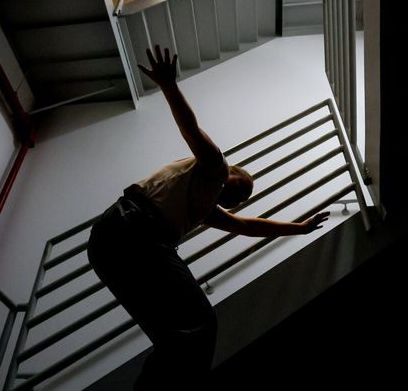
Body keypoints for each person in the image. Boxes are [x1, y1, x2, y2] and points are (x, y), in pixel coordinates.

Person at [87, 46, 329, 390]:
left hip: (111, 244)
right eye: (238, 184)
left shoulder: (201, 209)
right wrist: (169, 86)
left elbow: (248, 225)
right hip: (134, 229)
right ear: (230, 172)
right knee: (200, 324)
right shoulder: (214, 166)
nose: (236, 193)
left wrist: (299, 228)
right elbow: (191, 128)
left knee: (176, 336)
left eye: (240, 197)